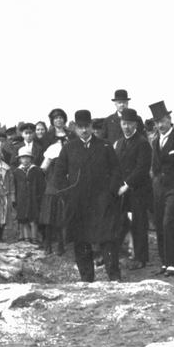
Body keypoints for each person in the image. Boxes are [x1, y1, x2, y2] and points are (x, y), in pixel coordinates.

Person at [49, 110, 122, 282]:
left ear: (91, 127)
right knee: (81, 240)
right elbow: (58, 176)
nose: (84, 131)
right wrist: (69, 196)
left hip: (102, 201)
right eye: (80, 127)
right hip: (78, 203)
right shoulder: (68, 148)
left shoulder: (104, 146)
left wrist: (111, 193)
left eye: (87, 126)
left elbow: (116, 171)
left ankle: (115, 277)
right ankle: (87, 278)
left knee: (107, 240)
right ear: (75, 128)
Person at [149, 101, 174, 276]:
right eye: (156, 122)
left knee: (168, 223)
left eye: (162, 121)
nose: (160, 125)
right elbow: (155, 167)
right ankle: (164, 263)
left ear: (169, 119)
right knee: (159, 224)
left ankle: (173, 263)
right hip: (159, 189)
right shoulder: (155, 141)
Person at [113, 108, 152, 270]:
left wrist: (127, 185)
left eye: (129, 123)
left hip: (138, 189)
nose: (126, 126)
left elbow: (142, 168)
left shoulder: (143, 143)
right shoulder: (120, 142)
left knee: (139, 224)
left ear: (135, 124)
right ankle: (112, 255)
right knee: (119, 222)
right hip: (122, 190)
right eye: (123, 123)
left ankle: (141, 258)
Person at [38, 137, 67, 255]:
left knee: (52, 222)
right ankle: (53, 246)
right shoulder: (53, 166)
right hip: (53, 193)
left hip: (53, 193)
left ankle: (52, 246)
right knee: (53, 222)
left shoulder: (54, 166)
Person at [11, 148, 44, 243]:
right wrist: (14, 200)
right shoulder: (16, 172)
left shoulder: (36, 170)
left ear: (31, 159)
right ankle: (26, 239)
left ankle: (34, 238)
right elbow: (14, 187)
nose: (25, 160)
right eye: (23, 158)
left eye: (27, 158)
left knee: (33, 220)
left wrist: (40, 198)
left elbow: (41, 186)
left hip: (34, 198)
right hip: (21, 199)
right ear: (19, 159)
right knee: (23, 220)